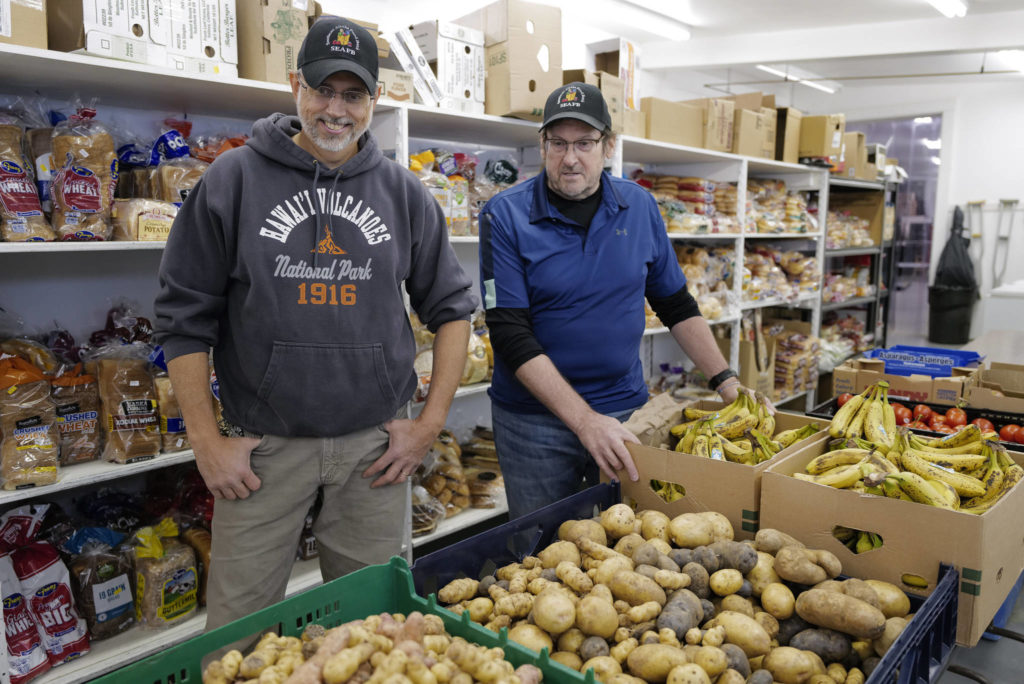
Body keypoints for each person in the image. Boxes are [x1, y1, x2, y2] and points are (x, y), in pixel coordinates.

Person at [154, 18, 475, 630]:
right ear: (296, 84)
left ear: (373, 101)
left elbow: (453, 309)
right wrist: (205, 444)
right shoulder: (233, 179)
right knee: (236, 635)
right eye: (324, 89)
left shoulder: (404, 195)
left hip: (374, 452)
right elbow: (182, 318)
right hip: (262, 452)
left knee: (374, 629)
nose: (335, 110)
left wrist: (429, 424)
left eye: (353, 95)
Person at [479, 81, 750, 520]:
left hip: (626, 409)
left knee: (633, 539)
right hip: (534, 425)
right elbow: (509, 332)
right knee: (539, 555)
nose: (570, 158)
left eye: (584, 143)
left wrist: (726, 381)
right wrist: (584, 421)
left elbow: (675, 304)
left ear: (608, 146)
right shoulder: (504, 214)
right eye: (558, 143)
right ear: (542, 145)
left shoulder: (640, 206)